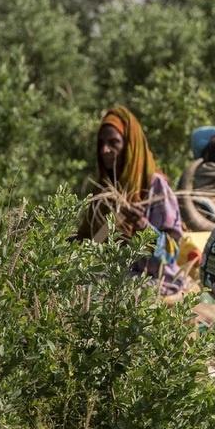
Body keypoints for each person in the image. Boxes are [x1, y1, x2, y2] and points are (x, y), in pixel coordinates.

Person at [77, 106, 187, 297]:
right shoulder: (104, 189)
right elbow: (89, 241)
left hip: (153, 279)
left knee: (98, 295)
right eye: (101, 143)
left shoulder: (154, 186)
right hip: (114, 276)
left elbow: (172, 252)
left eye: (114, 142)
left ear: (129, 145)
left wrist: (142, 225)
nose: (105, 150)